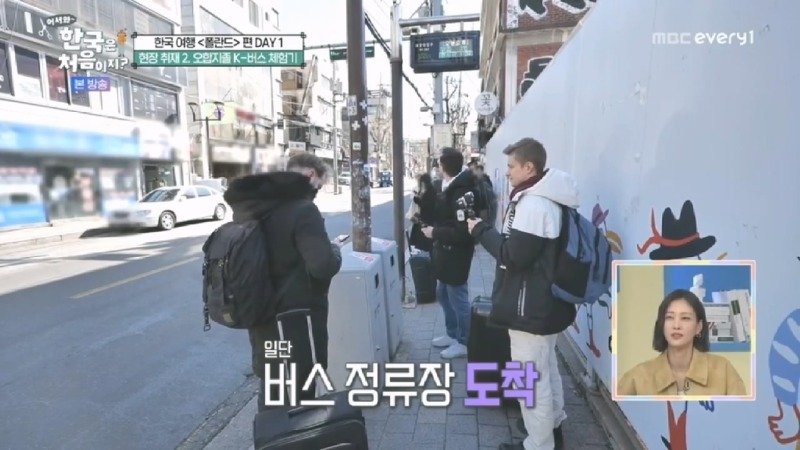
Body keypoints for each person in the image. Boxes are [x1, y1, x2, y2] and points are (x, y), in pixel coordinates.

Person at [467, 138, 578, 450]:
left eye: (512, 166)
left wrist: (480, 229)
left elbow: (512, 256)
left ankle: (538, 444)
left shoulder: (533, 205)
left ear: (529, 167)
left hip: (528, 309)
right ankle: (551, 428)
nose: (507, 172)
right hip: (543, 304)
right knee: (546, 369)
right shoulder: (549, 198)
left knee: (530, 381)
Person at [223, 152, 342, 411]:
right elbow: (322, 266)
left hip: (262, 319)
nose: (318, 191)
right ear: (311, 175)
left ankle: (270, 429)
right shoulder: (303, 210)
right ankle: (299, 430)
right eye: (320, 185)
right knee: (301, 389)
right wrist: (335, 251)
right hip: (297, 322)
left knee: (273, 380)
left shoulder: (252, 208)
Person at [617, 289, 747, 396]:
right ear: (661, 325)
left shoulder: (723, 370)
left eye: (685, 318)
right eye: (669, 317)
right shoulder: (637, 377)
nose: (676, 325)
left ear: (698, 327)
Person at [421, 147, 479, 359]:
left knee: (458, 298)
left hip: (457, 254)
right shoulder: (447, 186)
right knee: (443, 295)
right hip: (444, 252)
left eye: (438, 163)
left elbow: (463, 232)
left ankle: (464, 341)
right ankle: (452, 333)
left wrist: (435, 232)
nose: (436, 167)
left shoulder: (463, 191)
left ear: (444, 166)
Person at [408, 173, 436, 252]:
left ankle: (425, 254)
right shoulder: (431, 189)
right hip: (427, 218)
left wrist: (417, 200)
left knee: (424, 238)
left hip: (426, 218)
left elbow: (425, 205)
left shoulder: (429, 191)